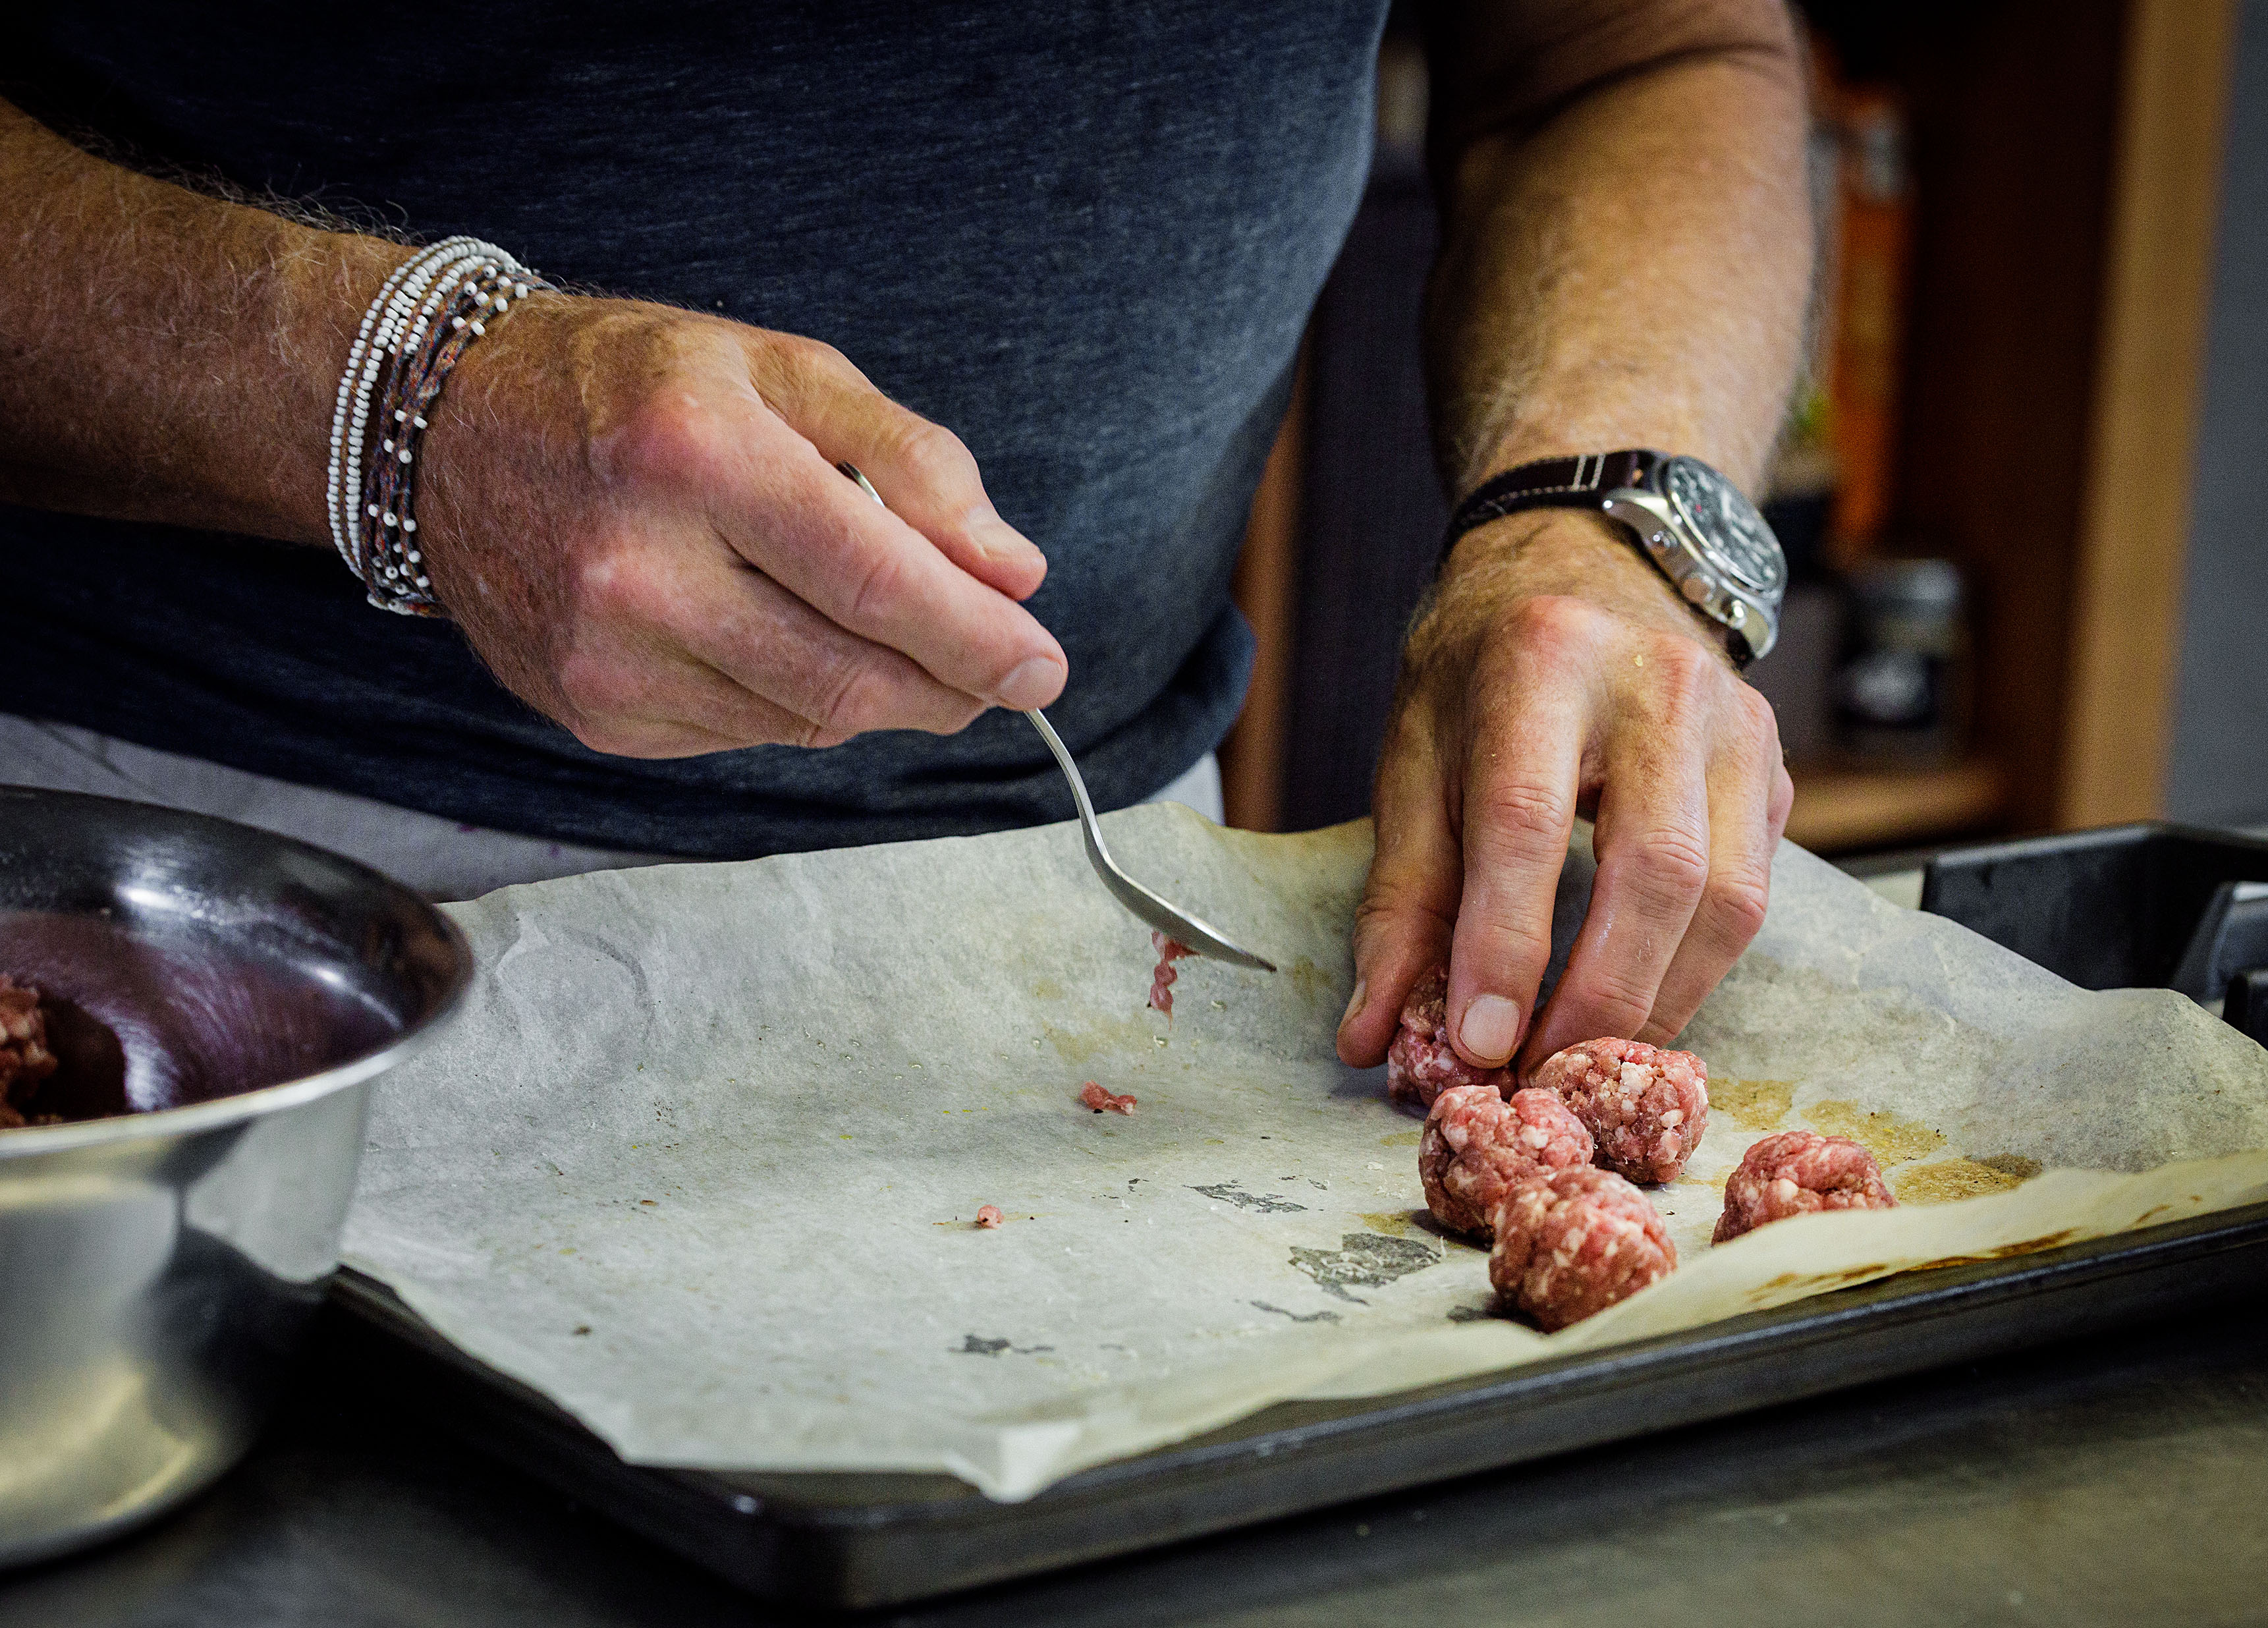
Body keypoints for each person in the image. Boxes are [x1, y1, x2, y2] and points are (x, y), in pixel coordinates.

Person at [0, 1, 1807, 1083]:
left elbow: (1636, 51)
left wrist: (1603, 519)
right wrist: (396, 403)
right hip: (176, 910)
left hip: (1090, 896)